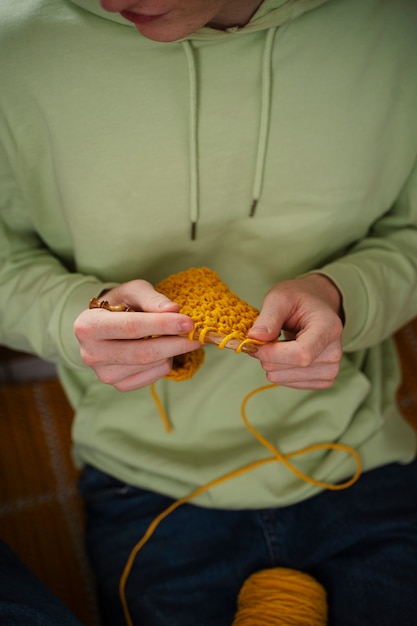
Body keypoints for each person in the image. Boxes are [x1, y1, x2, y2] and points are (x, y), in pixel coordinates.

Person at [1, 0, 417, 624]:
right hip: (144, 480)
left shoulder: (398, 27)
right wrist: (70, 315)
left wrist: (343, 295)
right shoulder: (14, 46)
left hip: (356, 451)